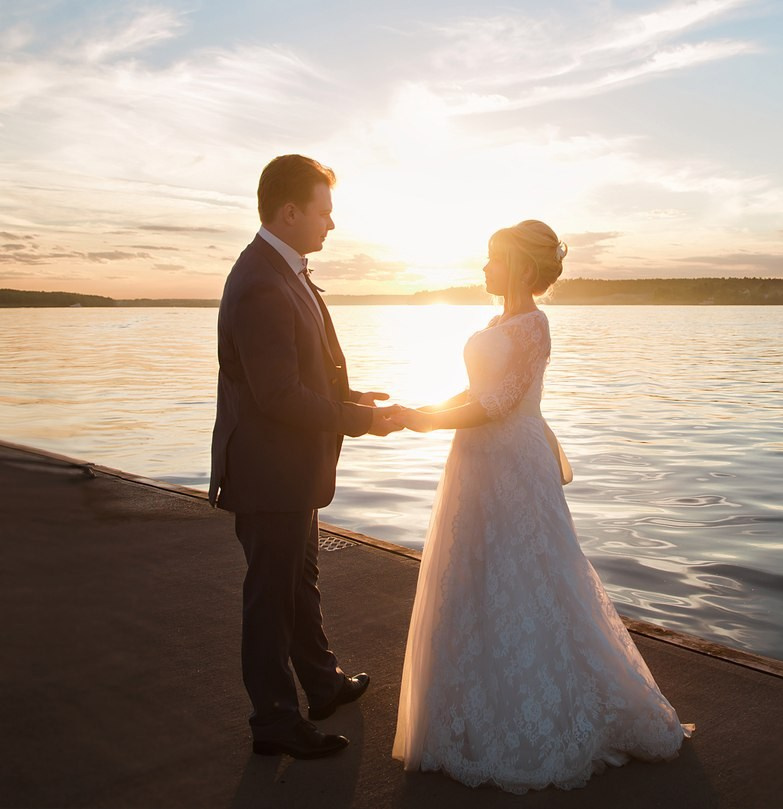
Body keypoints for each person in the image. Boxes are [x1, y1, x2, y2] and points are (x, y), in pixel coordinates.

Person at [390, 220, 691, 792]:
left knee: (533, 574)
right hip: (474, 462)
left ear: (521, 268)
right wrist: (419, 406)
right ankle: (471, 706)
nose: (483, 268)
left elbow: (500, 403)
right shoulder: (498, 322)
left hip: (513, 463)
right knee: (475, 573)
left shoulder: (533, 325)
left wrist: (421, 421)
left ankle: (552, 713)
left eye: (492, 258)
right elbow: (475, 394)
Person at [210, 154, 403, 759]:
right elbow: (279, 397)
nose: (332, 225)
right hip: (270, 472)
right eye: (324, 212)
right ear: (289, 212)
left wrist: (347, 394)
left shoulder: (284, 270)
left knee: (300, 581)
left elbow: (299, 370)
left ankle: (321, 684)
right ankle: (273, 720)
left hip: (290, 468)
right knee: (271, 597)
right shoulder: (262, 282)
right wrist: (361, 422)